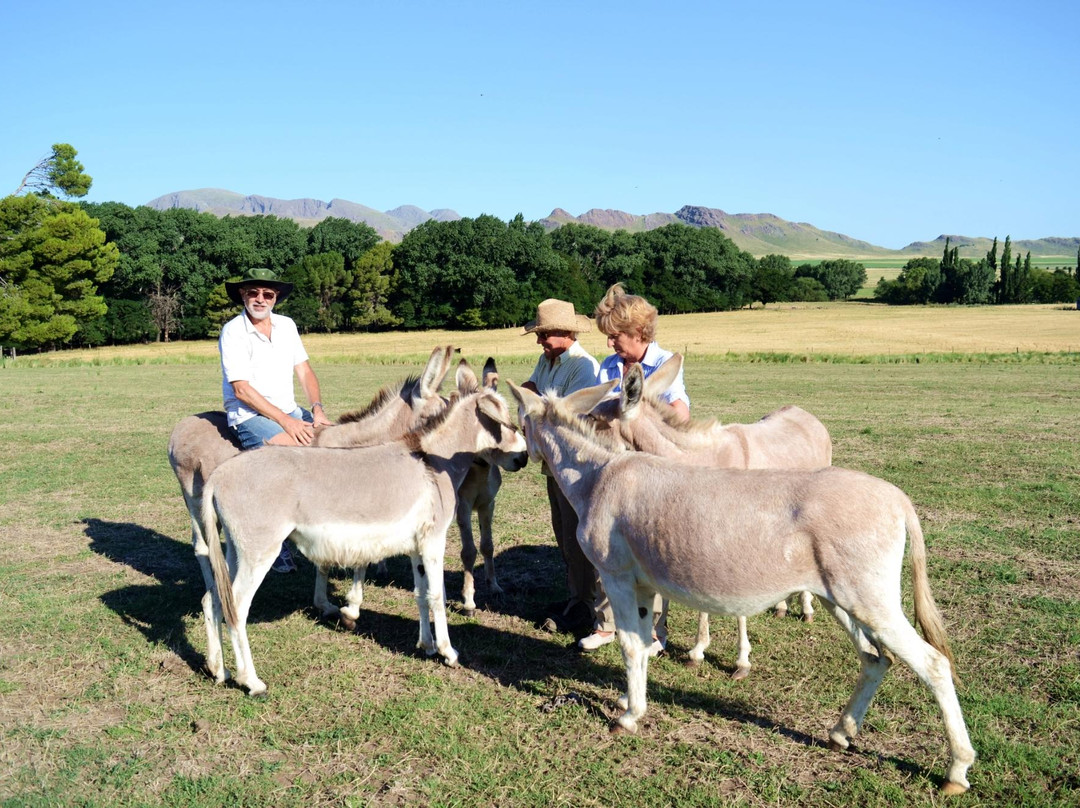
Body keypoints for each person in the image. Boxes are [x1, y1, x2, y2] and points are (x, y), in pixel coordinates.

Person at [577, 283, 690, 652]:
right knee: (605, 544)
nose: (610, 344)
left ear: (638, 333)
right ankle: (607, 623)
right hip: (611, 469)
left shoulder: (663, 363)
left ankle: (656, 630)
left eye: (615, 336)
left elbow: (680, 415)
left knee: (651, 548)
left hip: (652, 472)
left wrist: (639, 414)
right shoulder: (610, 366)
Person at [218, 267, 333, 572]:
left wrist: (317, 410)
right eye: (253, 292)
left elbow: (305, 372)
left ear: (276, 297)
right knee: (287, 459)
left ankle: (322, 533)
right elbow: (241, 390)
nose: (260, 299)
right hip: (250, 416)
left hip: (290, 409)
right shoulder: (233, 331)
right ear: (243, 295)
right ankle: (274, 542)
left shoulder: (286, 326)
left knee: (335, 445)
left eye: (267, 294)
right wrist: (287, 422)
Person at [520, 298, 601, 636]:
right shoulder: (548, 360)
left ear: (565, 333)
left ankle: (586, 605)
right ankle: (575, 597)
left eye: (544, 335)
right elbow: (530, 390)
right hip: (554, 464)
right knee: (563, 535)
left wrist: (537, 406)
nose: (540, 342)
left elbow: (563, 416)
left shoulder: (583, 367)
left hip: (574, 467)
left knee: (577, 535)